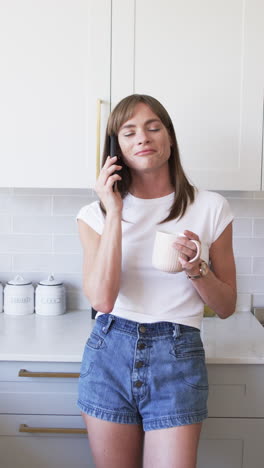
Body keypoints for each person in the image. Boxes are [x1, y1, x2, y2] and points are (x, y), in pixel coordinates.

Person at [76, 94, 237, 468]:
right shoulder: (92, 214)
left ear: (169, 138)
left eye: (153, 127)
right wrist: (114, 211)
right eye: (129, 132)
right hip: (108, 352)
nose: (143, 138)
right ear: (117, 147)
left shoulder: (211, 207)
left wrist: (197, 266)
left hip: (178, 357)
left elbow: (226, 306)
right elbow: (102, 300)